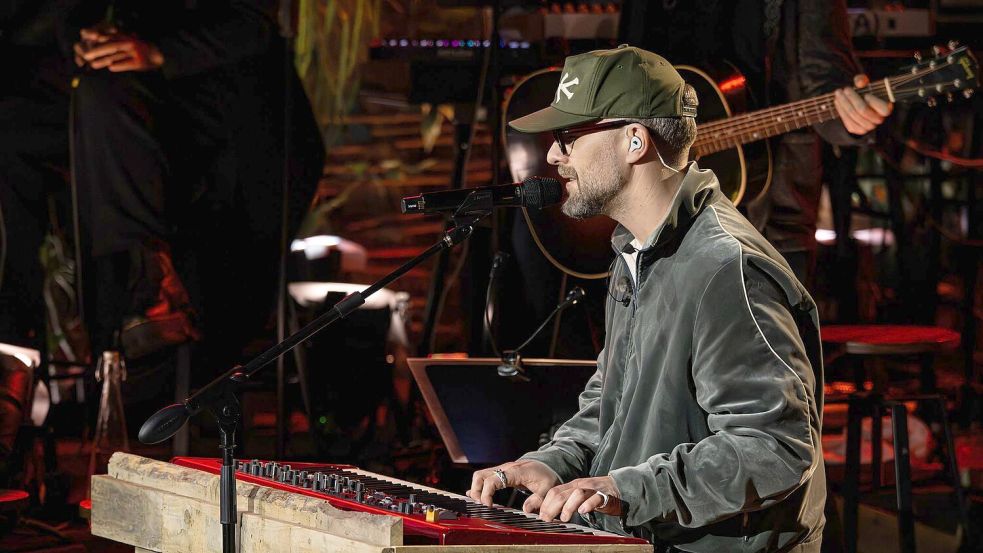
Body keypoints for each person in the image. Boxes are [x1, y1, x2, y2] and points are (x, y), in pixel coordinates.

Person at [467, 45, 836, 552]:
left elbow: (774, 447)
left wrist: (625, 491)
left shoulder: (726, 269)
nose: (553, 156)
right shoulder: (636, 251)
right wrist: (554, 461)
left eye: (568, 136)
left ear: (634, 140)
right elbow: (615, 402)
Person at [618, 0, 891, 286]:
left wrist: (852, 117)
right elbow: (624, 70)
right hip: (658, 217)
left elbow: (825, 78)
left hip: (776, 218)